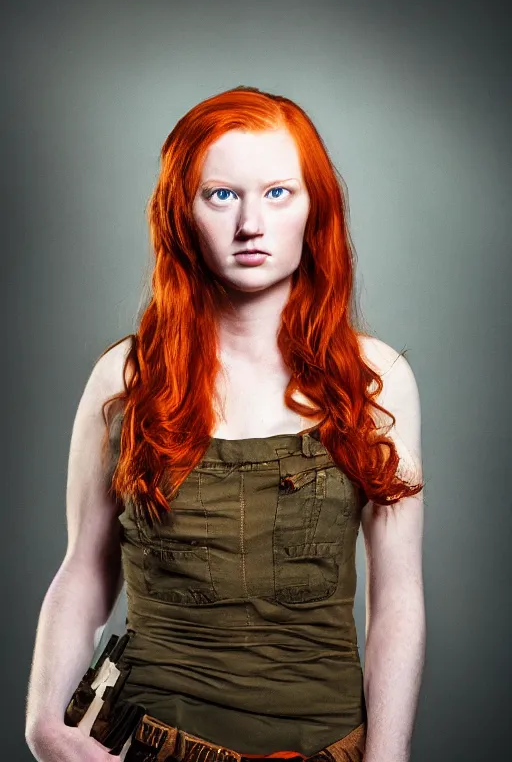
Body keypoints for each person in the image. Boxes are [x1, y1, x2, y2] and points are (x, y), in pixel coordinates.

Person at [25, 86, 425, 762]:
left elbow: (398, 602)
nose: (251, 224)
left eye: (277, 193)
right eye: (221, 195)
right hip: (148, 742)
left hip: (327, 747)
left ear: (314, 210)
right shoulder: (124, 381)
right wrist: (43, 724)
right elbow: (85, 570)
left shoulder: (375, 382)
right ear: (181, 212)